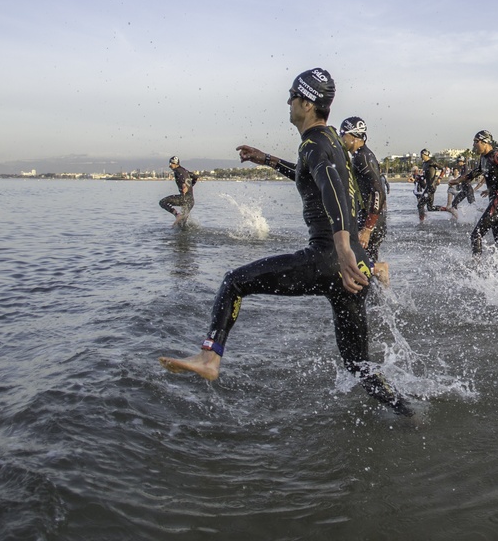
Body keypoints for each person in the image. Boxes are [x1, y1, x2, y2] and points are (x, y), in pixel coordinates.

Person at [159, 69, 410, 415]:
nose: (288, 101)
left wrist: (340, 248)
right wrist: (266, 159)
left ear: (306, 103)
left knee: (233, 282)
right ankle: (410, 414)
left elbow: (332, 188)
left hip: (330, 258)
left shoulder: (313, 143)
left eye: (292, 95)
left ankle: (209, 357)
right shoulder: (330, 142)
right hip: (356, 267)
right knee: (359, 367)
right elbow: (310, 173)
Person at [339, 116, 390, 285]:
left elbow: (378, 192)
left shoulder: (362, 157)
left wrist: (368, 228)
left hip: (371, 220)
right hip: (374, 218)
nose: (341, 139)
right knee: (367, 265)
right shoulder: (363, 155)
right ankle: (381, 303)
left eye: (342, 135)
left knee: (355, 261)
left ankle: (381, 271)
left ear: (353, 137)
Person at [415, 149, 455, 223]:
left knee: (420, 205)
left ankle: (421, 222)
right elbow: (425, 175)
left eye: (421, 155)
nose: (421, 156)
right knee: (430, 208)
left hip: (431, 187)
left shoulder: (431, 162)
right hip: (428, 187)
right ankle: (448, 209)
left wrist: (439, 178)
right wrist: (420, 178)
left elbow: (443, 169)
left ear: (425, 154)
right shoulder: (424, 164)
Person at [159, 156, 196, 227]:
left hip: (184, 199)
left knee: (162, 202)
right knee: (182, 225)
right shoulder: (185, 171)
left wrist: (184, 186)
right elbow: (195, 177)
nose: (169, 165)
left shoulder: (177, 170)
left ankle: (177, 215)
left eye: (171, 163)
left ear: (175, 164)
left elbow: (181, 177)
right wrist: (190, 186)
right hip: (191, 201)